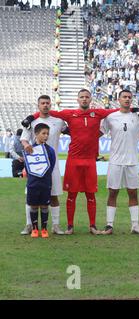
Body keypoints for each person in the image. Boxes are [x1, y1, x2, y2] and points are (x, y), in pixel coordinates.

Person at [21, 89, 123, 235]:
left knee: (64, 194)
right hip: (43, 164)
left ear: (90, 99)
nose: (84, 99)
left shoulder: (90, 115)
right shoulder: (40, 120)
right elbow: (43, 114)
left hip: (64, 164)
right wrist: (31, 116)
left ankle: (65, 226)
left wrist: (134, 109)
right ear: (77, 99)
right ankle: (31, 225)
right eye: (81, 97)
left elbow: (119, 109)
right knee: (36, 194)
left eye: (87, 97)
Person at [100, 90, 139, 235]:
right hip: (115, 161)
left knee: (133, 193)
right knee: (113, 192)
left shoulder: (138, 117)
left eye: (129, 97)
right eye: (124, 97)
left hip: (132, 161)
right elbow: (99, 133)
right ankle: (109, 225)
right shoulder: (110, 117)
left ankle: (135, 225)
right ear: (118, 99)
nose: (127, 99)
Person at [20, 95, 67, 236]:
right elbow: (23, 138)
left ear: (51, 104)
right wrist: (27, 145)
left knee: (54, 196)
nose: (45, 105)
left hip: (53, 166)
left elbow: (72, 132)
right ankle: (29, 225)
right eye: (42, 103)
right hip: (36, 166)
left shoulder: (58, 122)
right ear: (38, 105)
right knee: (31, 196)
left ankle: (56, 226)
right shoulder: (32, 122)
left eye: (47, 103)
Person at [24, 123, 56, 238]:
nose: (46, 136)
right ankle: (35, 229)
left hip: (45, 183)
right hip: (33, 183)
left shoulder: (50, 150)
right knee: (33, 206)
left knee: (44, 206)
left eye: (47, 134)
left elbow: (51, 166)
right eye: (43, 133)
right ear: (36, 134)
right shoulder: (29, 149)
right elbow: (27, 167)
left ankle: (44, 229)